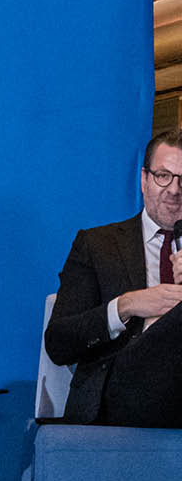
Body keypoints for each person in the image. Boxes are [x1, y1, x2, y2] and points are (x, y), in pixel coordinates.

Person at [45, 129, 182, 426]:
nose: (174, 189)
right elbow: (59, 343)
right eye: (163, 176)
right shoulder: (99, 245)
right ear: (144, 180)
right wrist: (125, 306)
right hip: (118, 395)